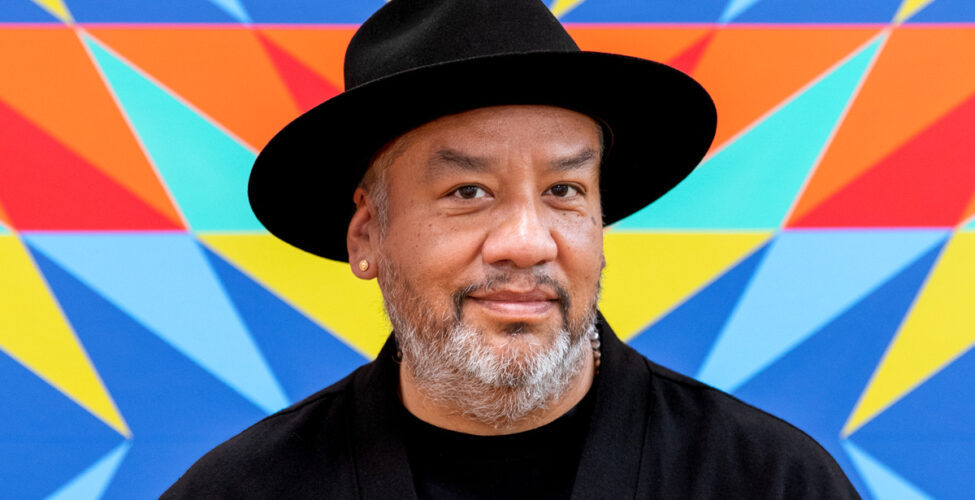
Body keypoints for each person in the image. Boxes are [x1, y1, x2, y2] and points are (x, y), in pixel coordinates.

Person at [163, 0, 860, 498]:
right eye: (468, 192)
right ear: (368, 235)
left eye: (563, 190)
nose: (528, 242)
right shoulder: (242, 488)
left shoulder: (767, 480)